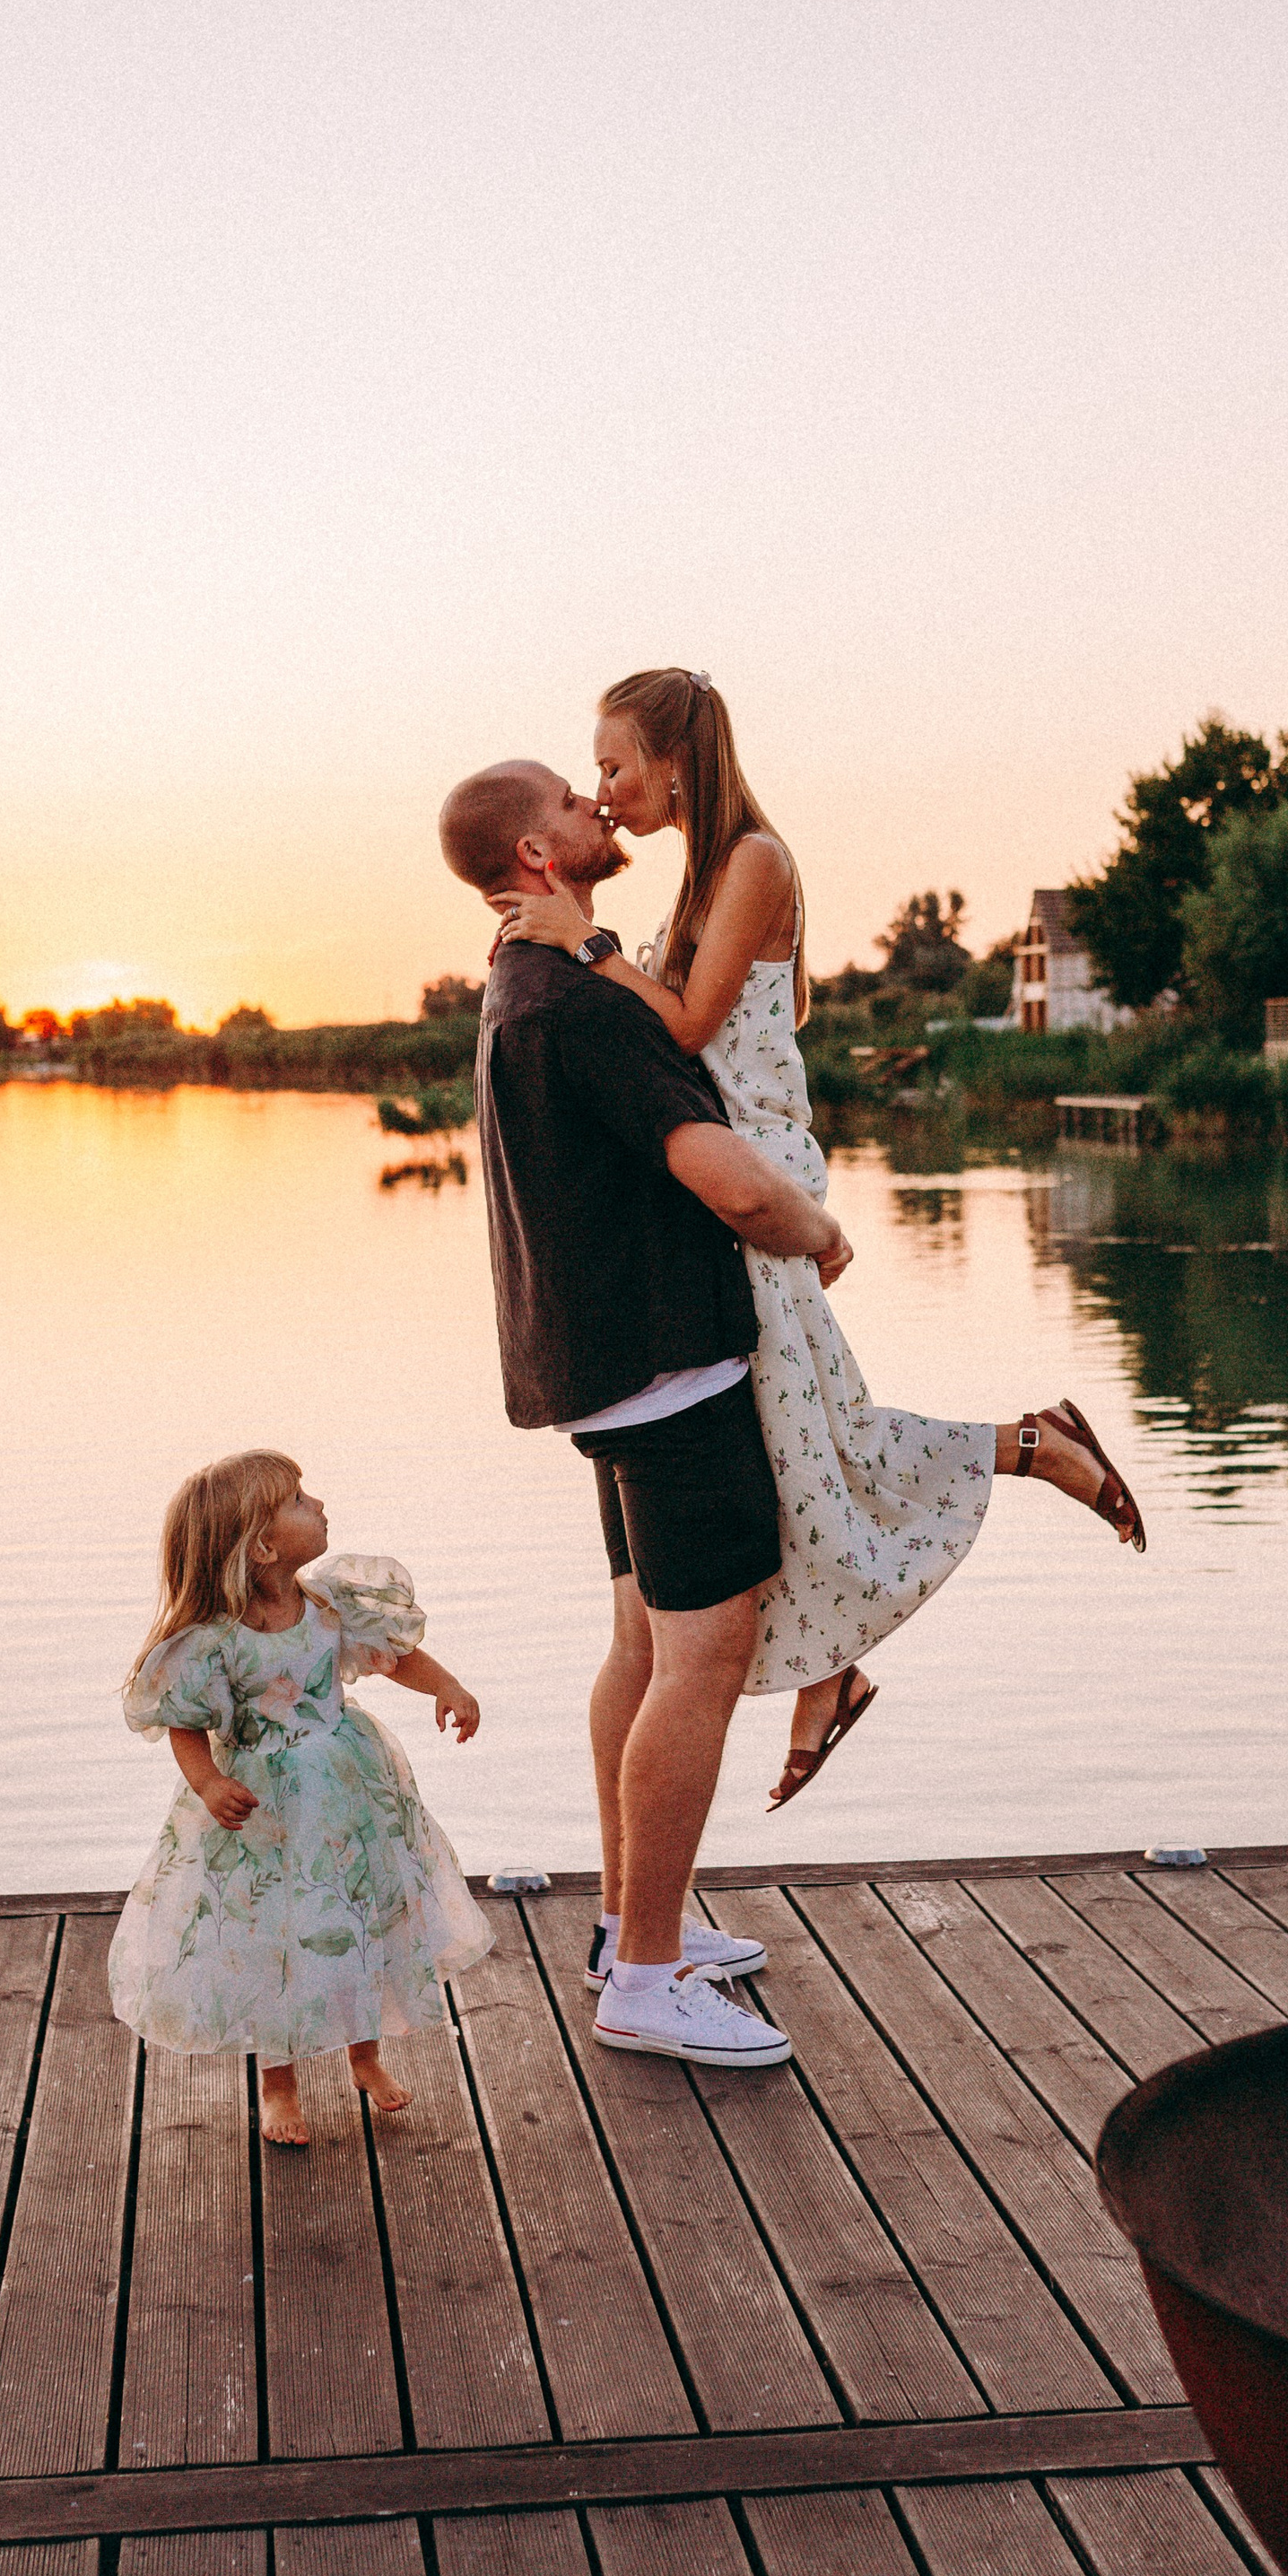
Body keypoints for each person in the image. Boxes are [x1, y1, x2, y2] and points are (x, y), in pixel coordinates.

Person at [492, 667, 1146, 1810]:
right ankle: (846, 1652)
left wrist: (589, 951)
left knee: (808, 1423)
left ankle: (1023, 1454)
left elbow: (691, 1024)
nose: (604, 791)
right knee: (798, 1428)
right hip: (725, 1164)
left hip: (753, 1169)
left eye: (612, 765)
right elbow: (719, 1018)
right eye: (590, 774)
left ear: (676, 757)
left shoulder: (753, 858)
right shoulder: (709, 870)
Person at [439, 756, 858, 2072]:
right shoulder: (580, 1003)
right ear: (535, 854)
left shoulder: (518, 983)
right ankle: (650, 1981)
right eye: (571, 802)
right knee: (704, 1663)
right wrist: (816, 1229)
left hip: (603, 1373)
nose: (594, 809)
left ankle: (636, 1923)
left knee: (640, 1644)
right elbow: (720, 1175)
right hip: (676, 1374)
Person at [107, 1450, 492, 2147]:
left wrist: (448, 1688)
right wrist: (209, 1783)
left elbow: (395, 1658)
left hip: (349, 1791)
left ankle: (365, 2057)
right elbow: (186, 1724)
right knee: (276, 1936)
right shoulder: (216, 1641)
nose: (316, 1505)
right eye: (297, 1501)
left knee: (358, 1913)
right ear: (262, 1546)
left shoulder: (328, 1602)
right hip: (266, 1806)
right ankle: (277, 2084)